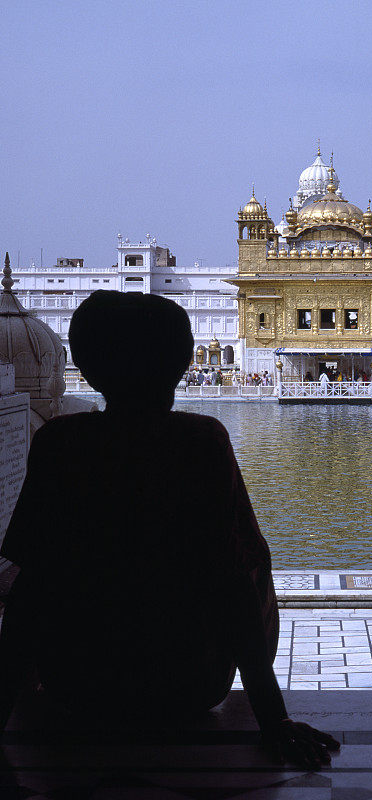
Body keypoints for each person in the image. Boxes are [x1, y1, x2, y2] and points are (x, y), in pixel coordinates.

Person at [0, 290, 338, 770]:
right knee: (249, 557)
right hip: (187, 683)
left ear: (86, 366)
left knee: (31, 570)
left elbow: (29, 592)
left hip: (78, 682)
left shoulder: (60, 443)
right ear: (181, 365)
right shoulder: (201, 440)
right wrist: (274, 720)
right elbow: (235, 583)